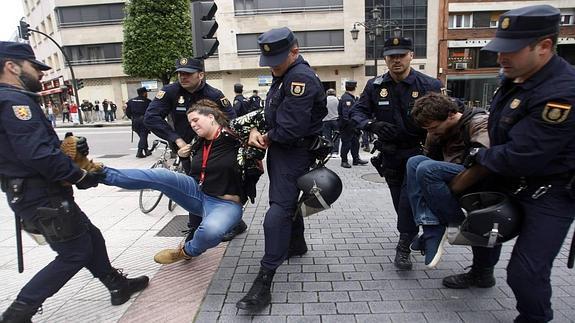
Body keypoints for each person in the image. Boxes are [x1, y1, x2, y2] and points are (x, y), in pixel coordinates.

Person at [0, 41, 149, 323]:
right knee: (74, 253)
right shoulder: (15, 102)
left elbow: (25, 149)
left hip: (36, 192)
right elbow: (37, 154)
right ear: (12, 66)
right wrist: (80, 175)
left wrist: (60, 150)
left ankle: (117, 285)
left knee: (90, 236)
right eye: (35, 66)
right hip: (41, 194)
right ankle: (19, 312)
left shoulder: (9, 99)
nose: (41, 73)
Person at [447, 5, 575, 322]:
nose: (501, 57)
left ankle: (534, 317)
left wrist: (480, 156)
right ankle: (480, 273)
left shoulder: (561, 92)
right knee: (483, 230)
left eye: (511, 50)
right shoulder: (516, 78)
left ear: (544, 47)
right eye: (499, 49)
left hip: (551, 190)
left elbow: (525, 154)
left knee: (525, 272)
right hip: (509, 177)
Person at [93, 99, 264, 264]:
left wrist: (254, 129)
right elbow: (194, 173)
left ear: (211, 117)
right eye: (190, 123)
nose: (193, 125)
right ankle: (101, 174)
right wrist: (184, 158)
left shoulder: (232, 131)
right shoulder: (198, 142)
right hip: (197, 193)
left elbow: (265, 115)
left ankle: (185, 252)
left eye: (196, 120)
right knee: (159, 175)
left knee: (210, 232)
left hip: (225, 204)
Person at [236, 27, 327, 311]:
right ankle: (296, 244)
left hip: (294, 151)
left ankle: (265, 279)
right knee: (288, 203)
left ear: (295, 51)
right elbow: (272, 115)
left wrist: (264, 137)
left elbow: (290, 127)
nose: (273, 66)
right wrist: (257, 128)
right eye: (269, 60)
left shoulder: (298, 77)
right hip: (285, 151)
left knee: (277, 211)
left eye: (278, 59)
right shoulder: (283, 76)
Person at [350, 33, 443, 270]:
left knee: (407, 199)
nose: (396, 61)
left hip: (418, 153)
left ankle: (403, 245)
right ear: (385, 59)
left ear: (411, 55)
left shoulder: (428, 85)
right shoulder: (375, 86)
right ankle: (410, 233)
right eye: (391, 57)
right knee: (398, 200)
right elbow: (357, 113)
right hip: (390, 155)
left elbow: (443, 116)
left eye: (401, 55)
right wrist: (372, 125)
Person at [144, 57, 247, 244]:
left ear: (200, 75)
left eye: (188, 74)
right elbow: (151, 117)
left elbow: (232, 120)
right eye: (180, 73)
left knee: (221, 187)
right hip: (187, 148)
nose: (183, 77)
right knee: (194, 185)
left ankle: (233, 222)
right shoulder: (170, 92)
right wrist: (176, 139)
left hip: (215, 150)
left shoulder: (214, 94)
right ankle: (196, 227)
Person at [405, 92, 489, 268]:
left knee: (427, 169)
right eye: (427, 129)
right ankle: (430, 226)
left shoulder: (479, 122)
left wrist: (447, 188)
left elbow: (484, 163)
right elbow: (423, 168)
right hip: (448, 177)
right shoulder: (435, 131)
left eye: (433, 127)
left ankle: (454, 222)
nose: (430, 132)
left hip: (477, 178)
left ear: (451, 115)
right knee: (414, 163)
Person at [338, 81, 368, 168]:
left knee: (355, 143)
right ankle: (344, 161)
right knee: (346, 144)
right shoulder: (347, 98)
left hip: (352, 125)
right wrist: (353, 126)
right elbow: (346, 115)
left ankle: (356, 159)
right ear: (355, 87)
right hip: (347, 126)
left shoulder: (351, 97)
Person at [126, 87, 152, 158]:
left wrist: (132, 118)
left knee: (142, 136)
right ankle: (139, 152)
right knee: (143, 136)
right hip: (144, 120)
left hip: (135, 121)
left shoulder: (131, 101)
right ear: (144, 93)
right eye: (146, 92)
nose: (147, 94)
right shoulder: (148, 101)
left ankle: (146, 150)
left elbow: (128, 112)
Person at [322, 88, 340, 155]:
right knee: (337, 136)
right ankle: (335, 151)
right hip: (335, 120)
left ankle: (329, 151)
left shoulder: (324, 100)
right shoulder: (337, 100)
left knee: (327, 137)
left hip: (326, 120)